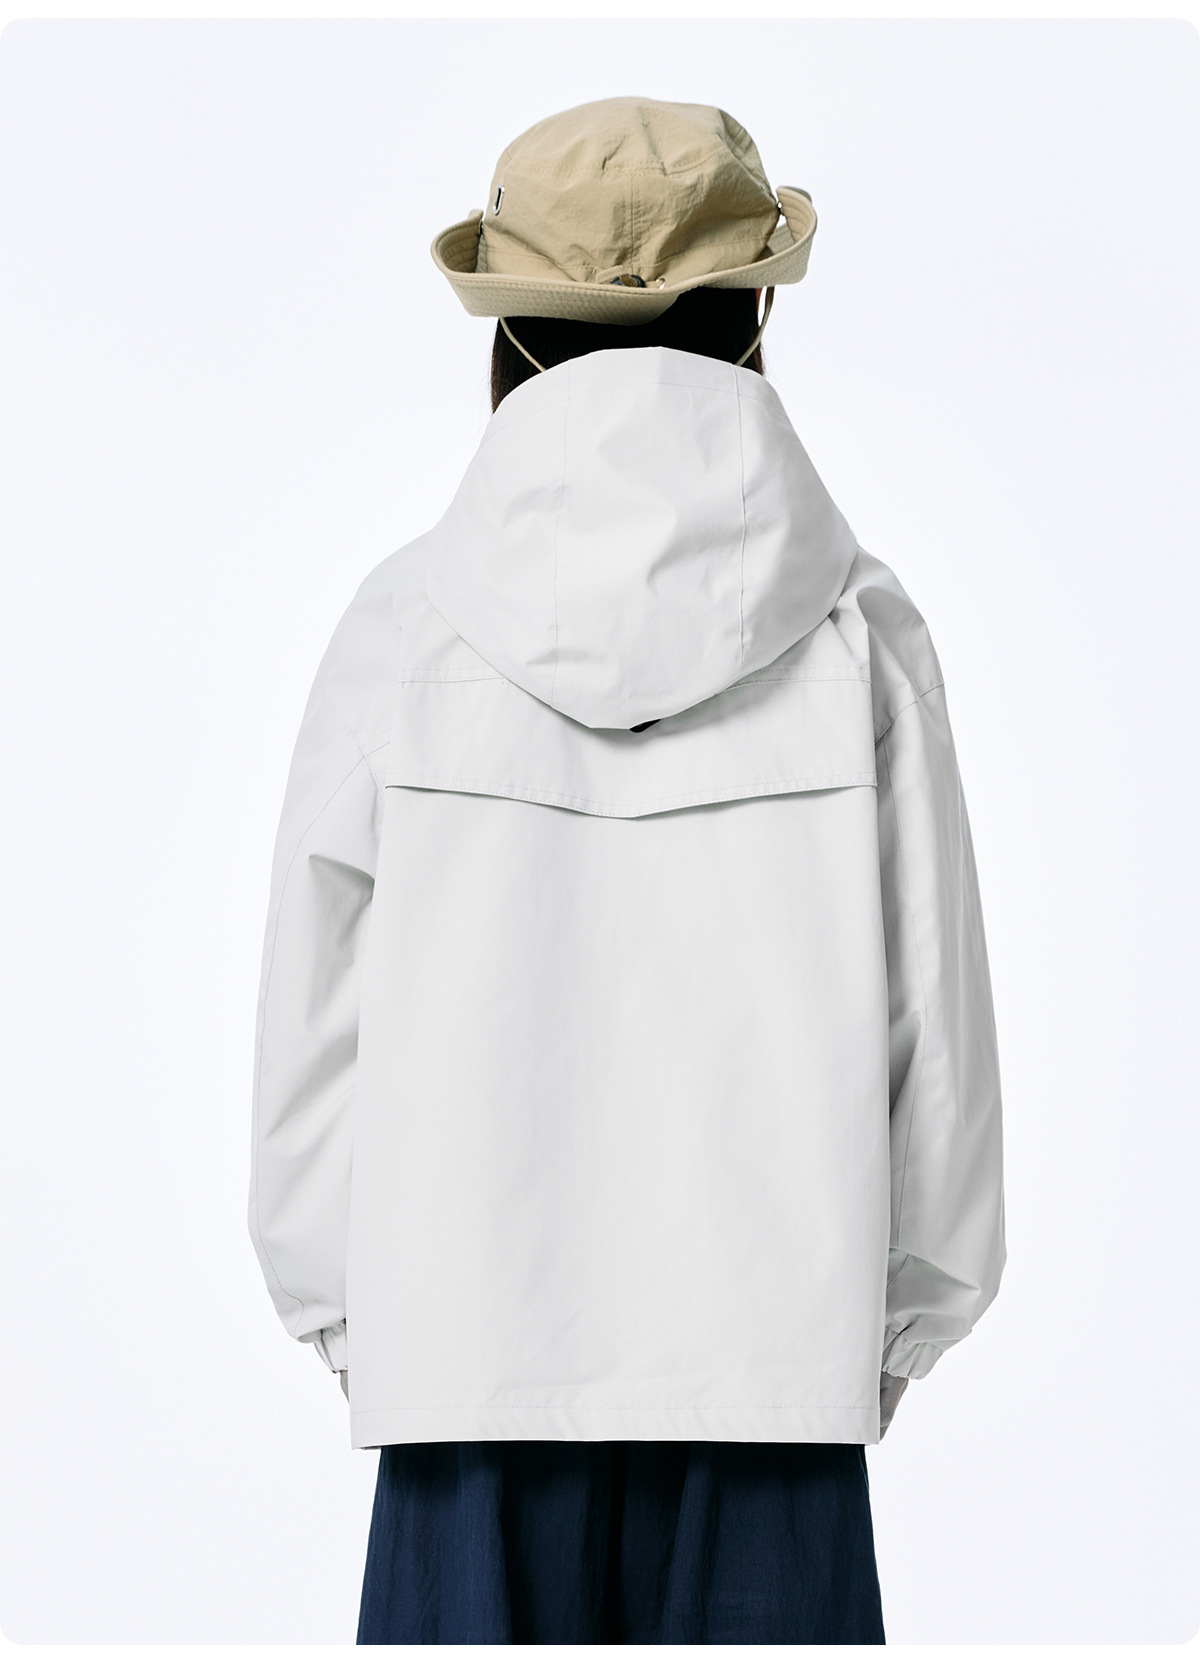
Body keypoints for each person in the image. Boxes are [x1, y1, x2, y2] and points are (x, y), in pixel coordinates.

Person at [247, 95, 1005, 1646]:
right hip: (777, 1379)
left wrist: (365, 1320)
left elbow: (312, 1035)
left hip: (463, 1382)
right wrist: (886, 1330)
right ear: (755, 316)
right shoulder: (860, 631)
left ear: (511, 330)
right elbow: (939, 1041)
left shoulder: (403, 627)